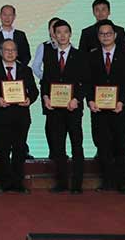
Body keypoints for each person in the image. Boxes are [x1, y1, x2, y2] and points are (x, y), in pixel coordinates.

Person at [0, 39, 38, 194]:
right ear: (1, 52)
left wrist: (29, 99)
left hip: (21, 117)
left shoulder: (25, 70)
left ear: (17, 52)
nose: (10, 53)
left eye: (13, 50)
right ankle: (4, 182)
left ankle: (18, 183)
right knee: (2, 150)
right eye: (7, 50)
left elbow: (34, 91)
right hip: (0, 116)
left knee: (20, 150)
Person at [40, 20, 88, 194]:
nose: (62, 35)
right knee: (58, 147)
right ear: (54, 34)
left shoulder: (80, 55)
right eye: (58, 32)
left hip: (73, 108)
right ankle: (61, 183)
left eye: (65, 32)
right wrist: (45, 97)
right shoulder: (49, 55)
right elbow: (45, 80)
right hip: (55, 109)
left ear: (70, 34)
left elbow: (86, 81)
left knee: (77, 145)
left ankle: (77, 184)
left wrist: (77, 99)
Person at [87, 20, 125, 195]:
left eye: (108, 33)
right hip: (99, 109)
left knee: (121, 143)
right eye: (102, 34)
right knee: (103, 144)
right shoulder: (92, 56)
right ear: (98, 36)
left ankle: (122, 183)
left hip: (120, 108)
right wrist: (90, 100)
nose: (105, 36)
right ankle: (107, 181)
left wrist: (121, 101)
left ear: (115, 35)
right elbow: (88, 81)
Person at [0, 4, 33, 159]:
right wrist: (1, 71)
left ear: (14, 16)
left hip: (18, 95)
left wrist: (16, 74)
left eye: (10, 14)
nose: (7, 17)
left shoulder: (21, 35)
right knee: (2, 150)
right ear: (0, 15)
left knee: (19, 149)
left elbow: (26, 56)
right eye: (4, 14)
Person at [32, 17, 60, 159]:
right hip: (49, 90)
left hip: (66, 91)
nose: (56, 31)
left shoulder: (71, 47)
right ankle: (53, 151)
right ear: (49, 30)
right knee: (51, 120)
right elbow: (36, 67)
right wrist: (46, 78)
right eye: (53, 27)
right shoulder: (43, 46)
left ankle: (61, 151)